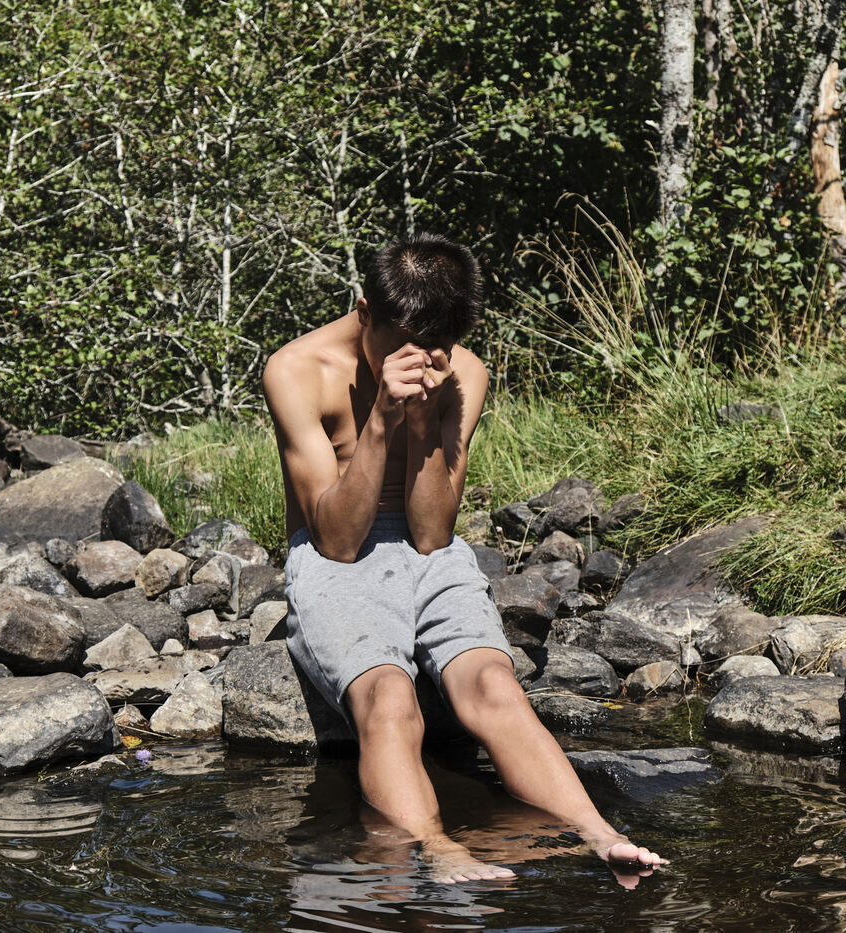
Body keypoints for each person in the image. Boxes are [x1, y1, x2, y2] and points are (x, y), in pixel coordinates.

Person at [262, 233, 667, 885]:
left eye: (436, 349)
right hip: (338, 554)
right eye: (401, 346)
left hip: (432, 555)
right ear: (364, 313)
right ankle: (433, 845)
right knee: (390, 699)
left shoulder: (465, 373)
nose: (420, 364)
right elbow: (335, 540)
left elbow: (431, 534)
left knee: (495, 687)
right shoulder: (296, 369)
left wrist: (423, 425)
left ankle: (599, 835)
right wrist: (381, 421)